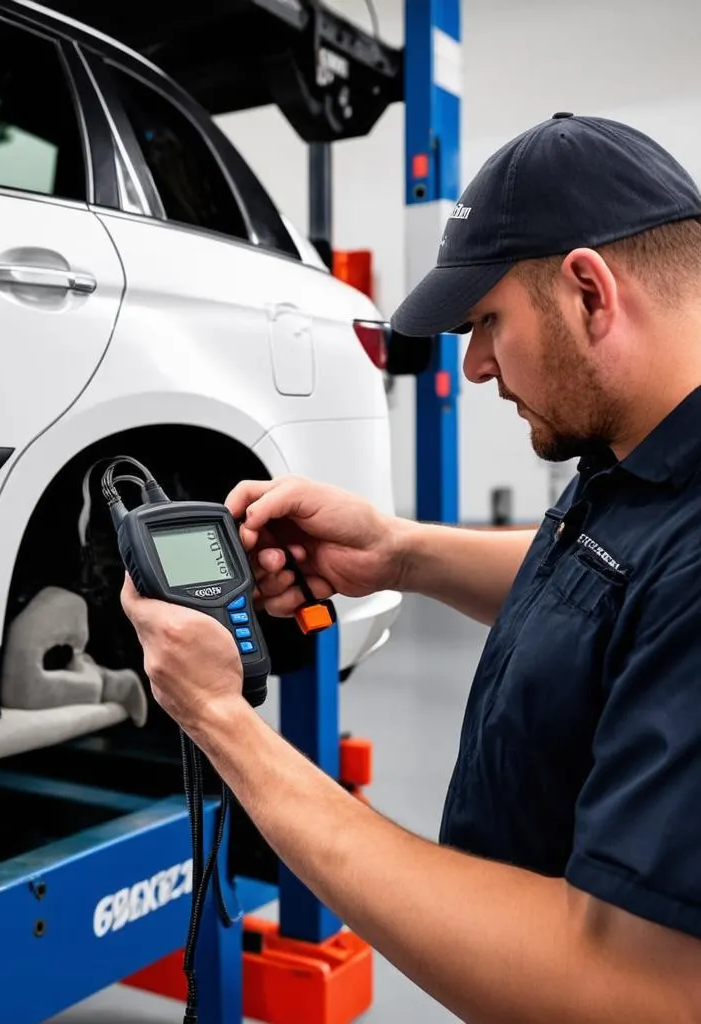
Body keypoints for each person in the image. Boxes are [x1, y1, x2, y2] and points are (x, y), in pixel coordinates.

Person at [120, 113, 701, 1022]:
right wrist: (397, 552)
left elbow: (625, 987)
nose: (472, 368)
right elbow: (625, 589)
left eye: (487, 323)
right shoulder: (642, 455)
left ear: (590, 292)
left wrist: (220, 720)